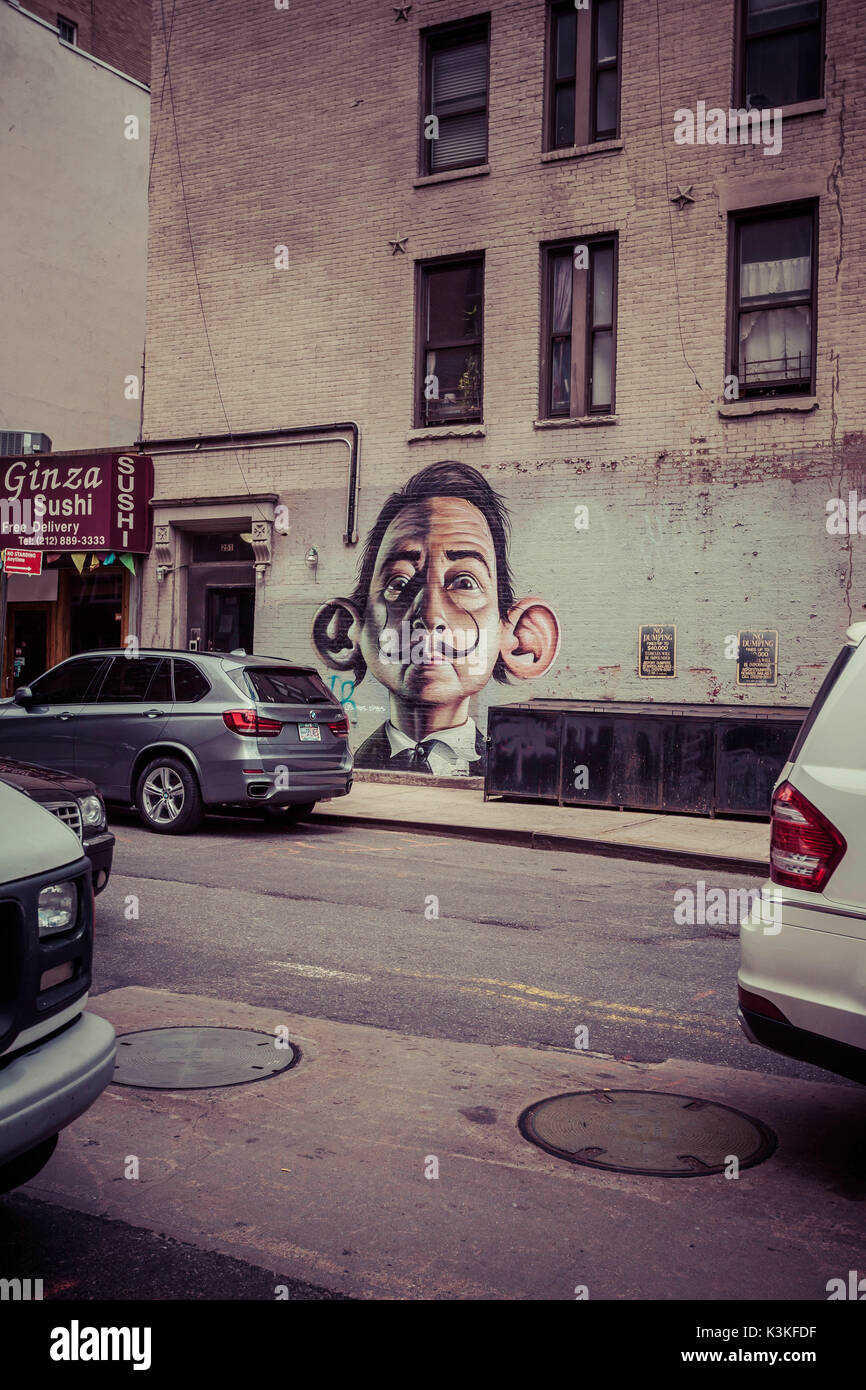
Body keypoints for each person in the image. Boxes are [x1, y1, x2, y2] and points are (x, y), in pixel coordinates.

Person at [312, 460, 560, 775]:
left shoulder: (510, 771)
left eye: (464, 582)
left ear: (521, 639)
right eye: (398, 583)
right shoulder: (354, 765)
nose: (429, 615)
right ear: (347, 631)